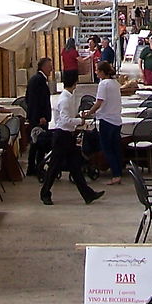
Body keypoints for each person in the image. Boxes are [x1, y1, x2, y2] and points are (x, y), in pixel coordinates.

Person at [40, 72, 105, 206]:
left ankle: (88, 194)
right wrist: (79, 121)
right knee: (54, 167)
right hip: (62, 136)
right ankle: (45, 193)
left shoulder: (69, 97)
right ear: (74, 83)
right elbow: (65, 120)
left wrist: (78, 116)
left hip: (68, 136)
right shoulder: (65, 99)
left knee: (75, 166)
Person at [86, 59, 123, 184]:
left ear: (102, 72)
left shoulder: (103, 84)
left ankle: (116, 174)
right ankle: (119, 172)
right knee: (116, 148)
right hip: (117, 120)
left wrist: (89, 113)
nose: (96, 73)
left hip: (106, 120)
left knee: (107, 149)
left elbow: (99, 102)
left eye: (97, 71)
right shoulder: (115, 83)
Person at [24, 57, 53, 179]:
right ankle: (37, 167)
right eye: (49, 66)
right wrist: (40, 116)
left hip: (36, 116)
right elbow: (36, 101)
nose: (51, 69)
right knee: (39, 143)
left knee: (35, 142)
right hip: (39, 118)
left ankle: (33, 166)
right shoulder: (39, 81)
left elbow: (27, 98)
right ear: (43, 67)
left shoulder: (36, 79)